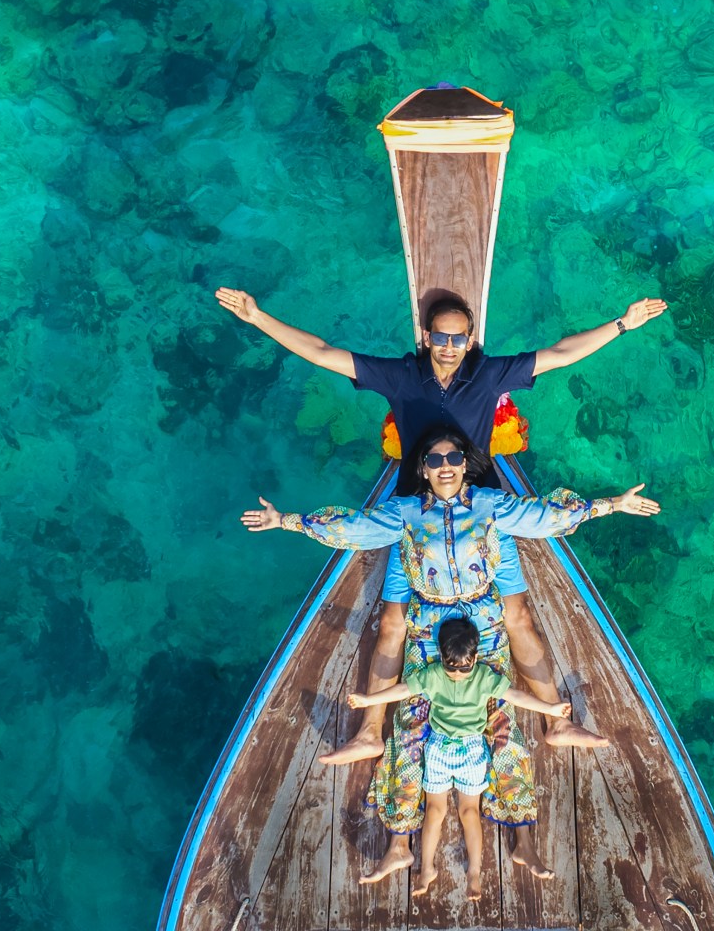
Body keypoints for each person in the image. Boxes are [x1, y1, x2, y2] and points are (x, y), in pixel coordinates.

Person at [217, 287, 667, 761]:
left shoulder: (489, 374)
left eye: (458, 338)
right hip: (416, 513)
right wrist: (258, 317)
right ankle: (370, 732)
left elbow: (560, 353)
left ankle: (559, 721)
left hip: (485, 511)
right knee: (391, 622)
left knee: (519, 618)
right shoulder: (401, 377)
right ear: (425, 336)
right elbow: (324, 353)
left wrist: (622, 324)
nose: (449, 347)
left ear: (471, 340)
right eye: (440, 337)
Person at [240, 425, 661, 882]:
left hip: (482, 629)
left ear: (465, 463)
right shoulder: (404, 512)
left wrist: (612, 504)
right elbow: (353, 528)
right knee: (409, 730)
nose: (445, 467)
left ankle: (524, 841)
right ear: (422, 469)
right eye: (435, 460)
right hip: (428, 630)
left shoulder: (490, 505)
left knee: (502, 726)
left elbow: (546, 517)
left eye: (453, 458)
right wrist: (285, 521)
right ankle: (399, 844)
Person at [346, 617, 573, 900]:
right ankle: (426, 868)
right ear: (447, 657)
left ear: (473, 657)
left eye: (462, 668)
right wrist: (369, 700)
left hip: (464, 752)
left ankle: (474, 874)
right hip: (444, 751)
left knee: (467, 813)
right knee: (437, 813)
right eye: (453, 668)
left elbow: (517, 697)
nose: (458, 674)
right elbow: (403, 690)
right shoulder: (455, 674)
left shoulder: (459, 675)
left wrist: (550, 709)